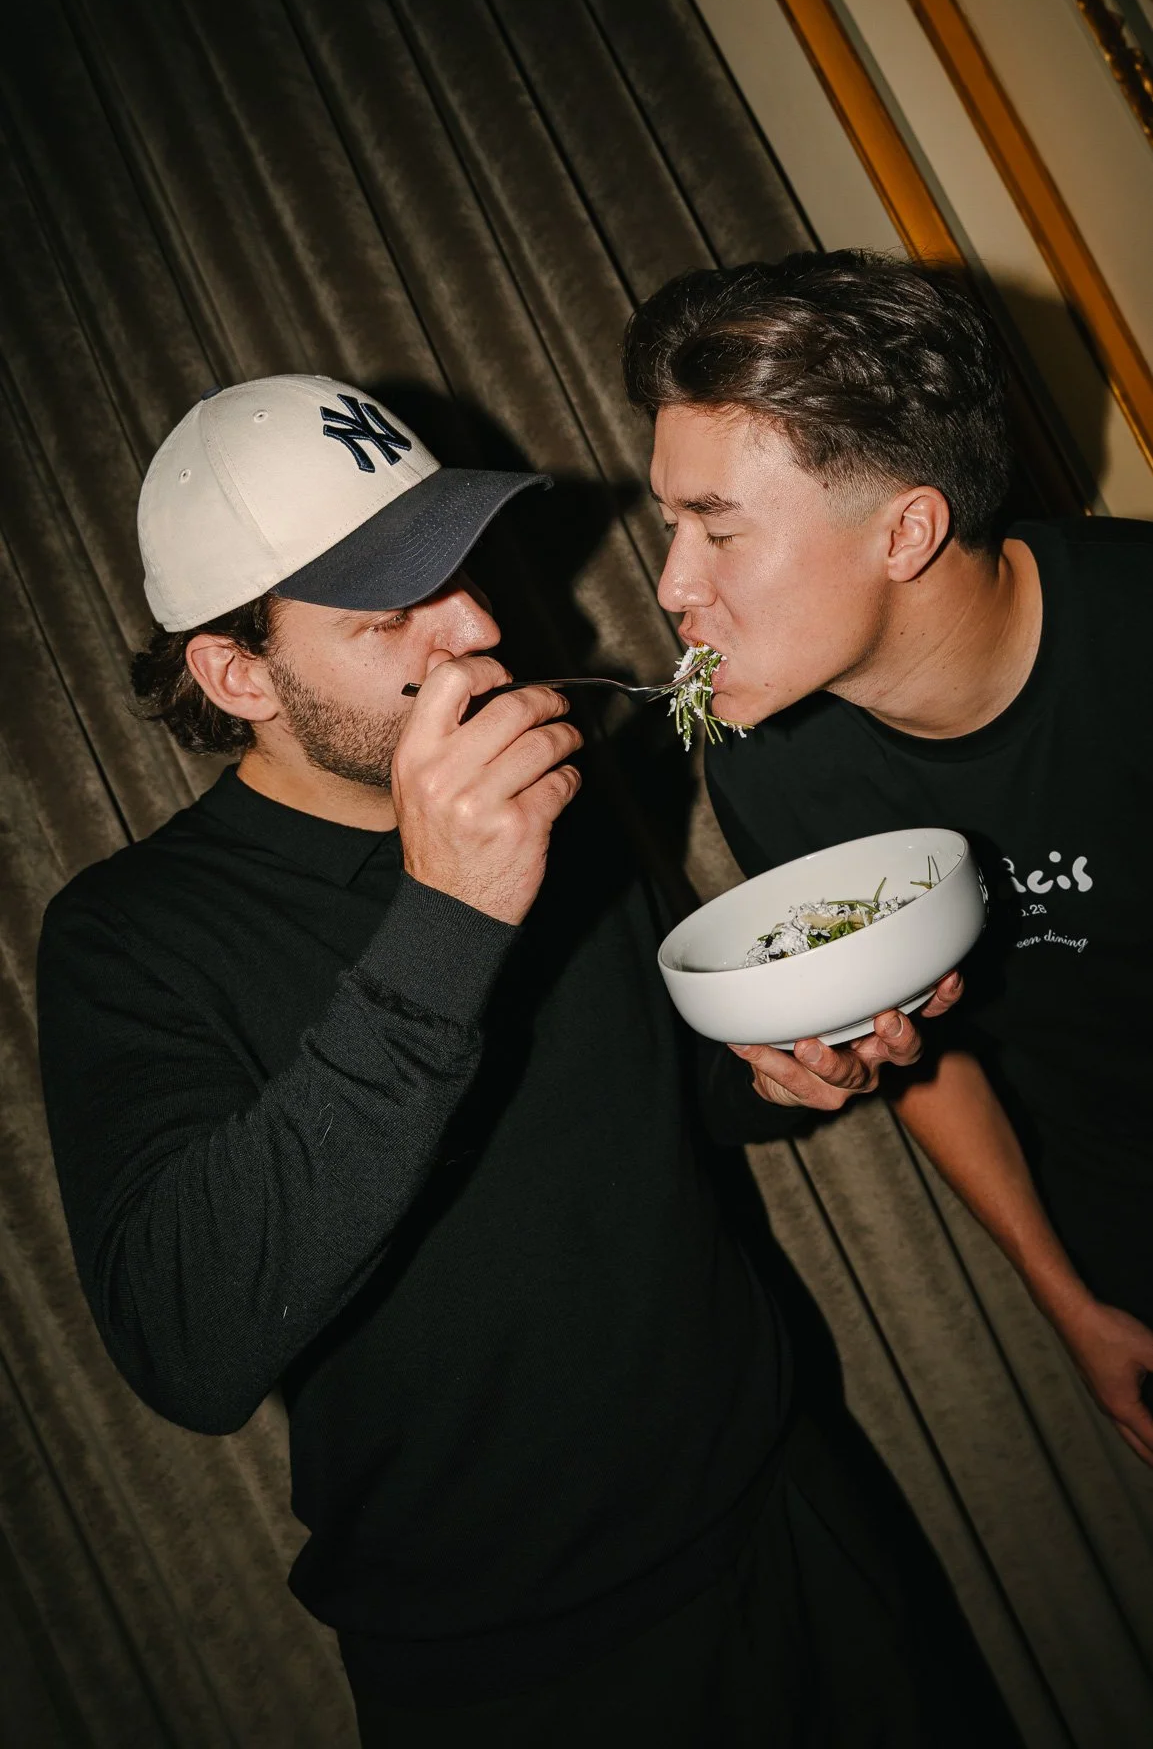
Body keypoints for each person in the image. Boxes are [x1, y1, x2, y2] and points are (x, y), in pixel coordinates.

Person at [36, 372, 1007, 1747]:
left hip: (791, 1506)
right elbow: (185, 1346)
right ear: (238, 673)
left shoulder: (544, 778)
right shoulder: (131, 936)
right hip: (527, 1662)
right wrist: (449, 914)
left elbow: (666, 1085)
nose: (480, 627)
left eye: (460, 568)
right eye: (390, 614)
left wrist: (780, 1063)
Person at [623, 250, 1153, 1470]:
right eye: (670, 525)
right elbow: (926, 1053)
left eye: (719, 528)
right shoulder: (768, 763)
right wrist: (1068, 1300)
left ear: (906, 529)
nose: (672, 585)